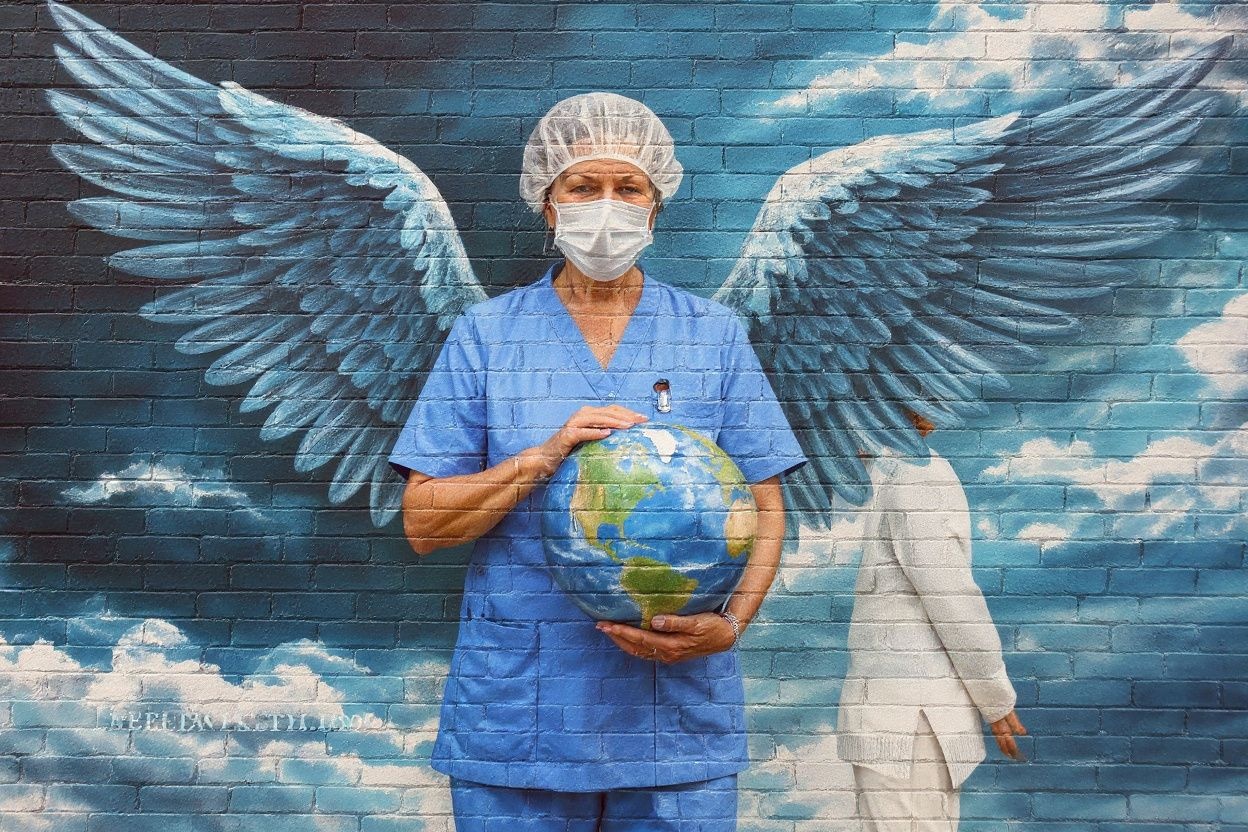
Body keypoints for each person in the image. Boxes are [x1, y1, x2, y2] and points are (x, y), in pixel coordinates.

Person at [388, 92, 809, 831]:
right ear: (547, 205)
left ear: (656, 204)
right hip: (521, 722)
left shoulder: (713, 336)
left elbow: (767, 503)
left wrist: (732, 626)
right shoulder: (486, 337)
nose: (607, 207)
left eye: (629, 187)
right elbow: (423, 522)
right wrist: (544, 457)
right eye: (584, 187)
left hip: (672, 725)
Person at [837, 411, 1027, 831]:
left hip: (908, 729)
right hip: (905, 729)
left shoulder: (914, 478)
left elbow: (951, 597)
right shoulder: (899, 477)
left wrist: (995, 699)